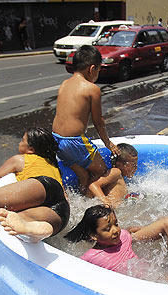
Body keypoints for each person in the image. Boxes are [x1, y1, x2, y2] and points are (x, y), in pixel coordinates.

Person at [52, 45, 119, 194]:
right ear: (92, 68)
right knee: (102, 170)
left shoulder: (64, 84)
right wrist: (107, 143)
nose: (98, 74)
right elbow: (98, 121)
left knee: (83, 173)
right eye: (99, 70)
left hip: (56, 140)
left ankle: (82, 193)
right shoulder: (91, 88)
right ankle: (92, 196)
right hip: (73, 141)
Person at [87, 143, 138, 208]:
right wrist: (106, 202)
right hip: (111, 210)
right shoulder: (116, 172)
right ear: (119, 165)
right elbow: (93, 185)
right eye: (133, 165)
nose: (136, 168)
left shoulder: (122, 177)